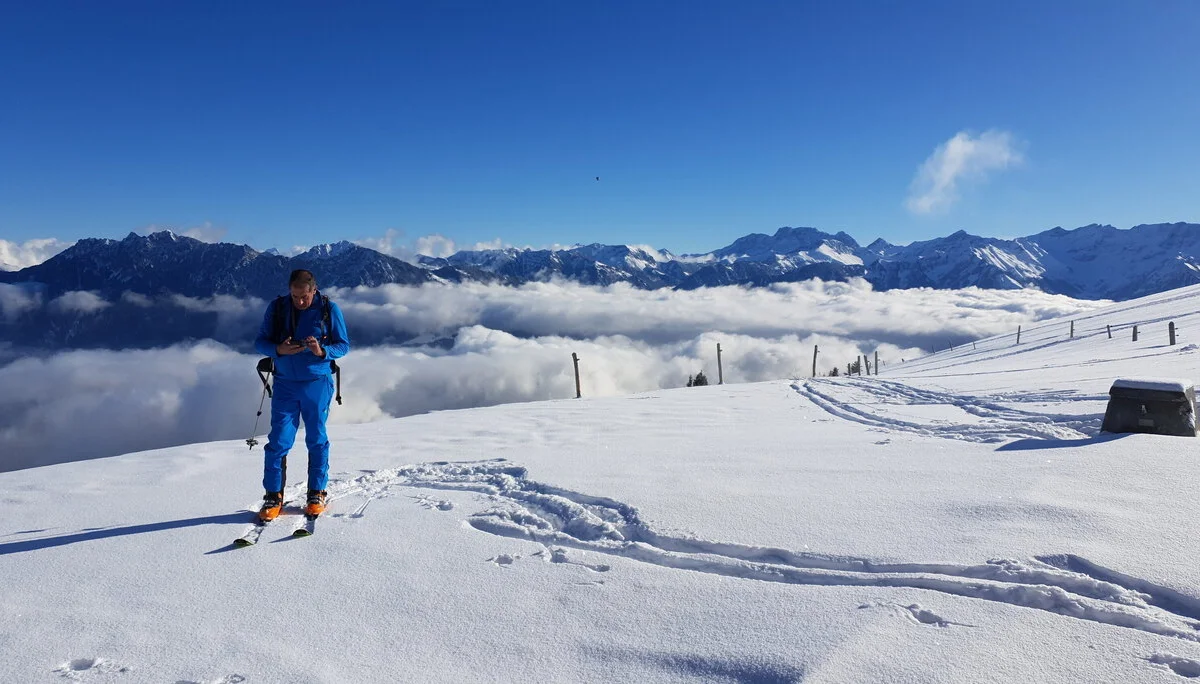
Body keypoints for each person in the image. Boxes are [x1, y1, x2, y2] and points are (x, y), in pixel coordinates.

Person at [253, 269, 350, 521]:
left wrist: (322, 351)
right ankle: (273, 496)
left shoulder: (329, 309)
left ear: (313, 290)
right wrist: (278, 349)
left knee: (316, 438)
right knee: (278, 440)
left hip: (317, 383)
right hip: (285, 384)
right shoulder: (277, 308)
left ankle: (316, 492)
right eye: (295, 297)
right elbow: (260, 342)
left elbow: (343, 345)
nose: (299, 302)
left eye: (304, 297)